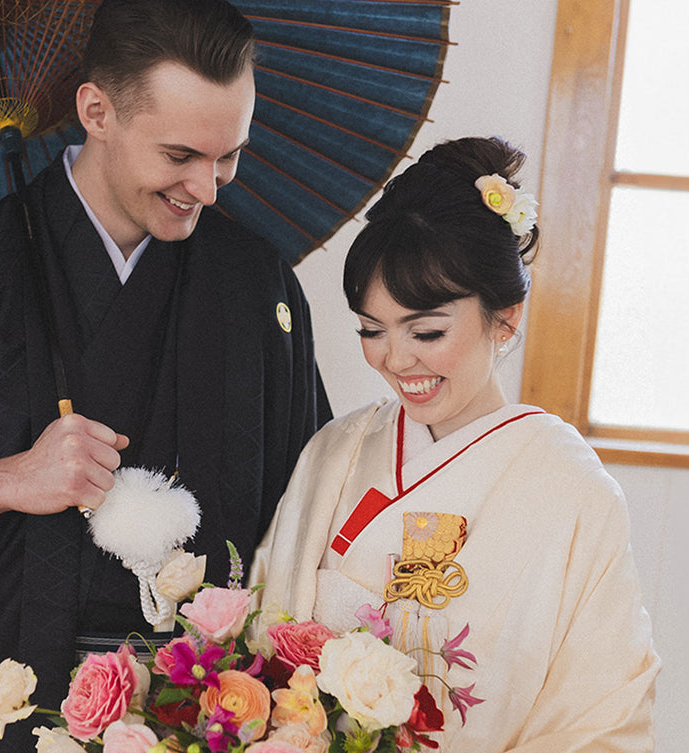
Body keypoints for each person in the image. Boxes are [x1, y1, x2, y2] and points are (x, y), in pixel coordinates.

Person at [0, 1, 330, 750]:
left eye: (229, 155)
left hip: (204, 717)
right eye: (180, 156)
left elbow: (310, 522)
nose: (207, 188)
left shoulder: (255, 288)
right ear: (96, 110)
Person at [251, 137, 659, 752]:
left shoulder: (570, 489)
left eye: (428, 330)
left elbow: (602, 715)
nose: (396, 358)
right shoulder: (338, 449)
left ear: (506, 317)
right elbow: (263, 633)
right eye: (372, 330)